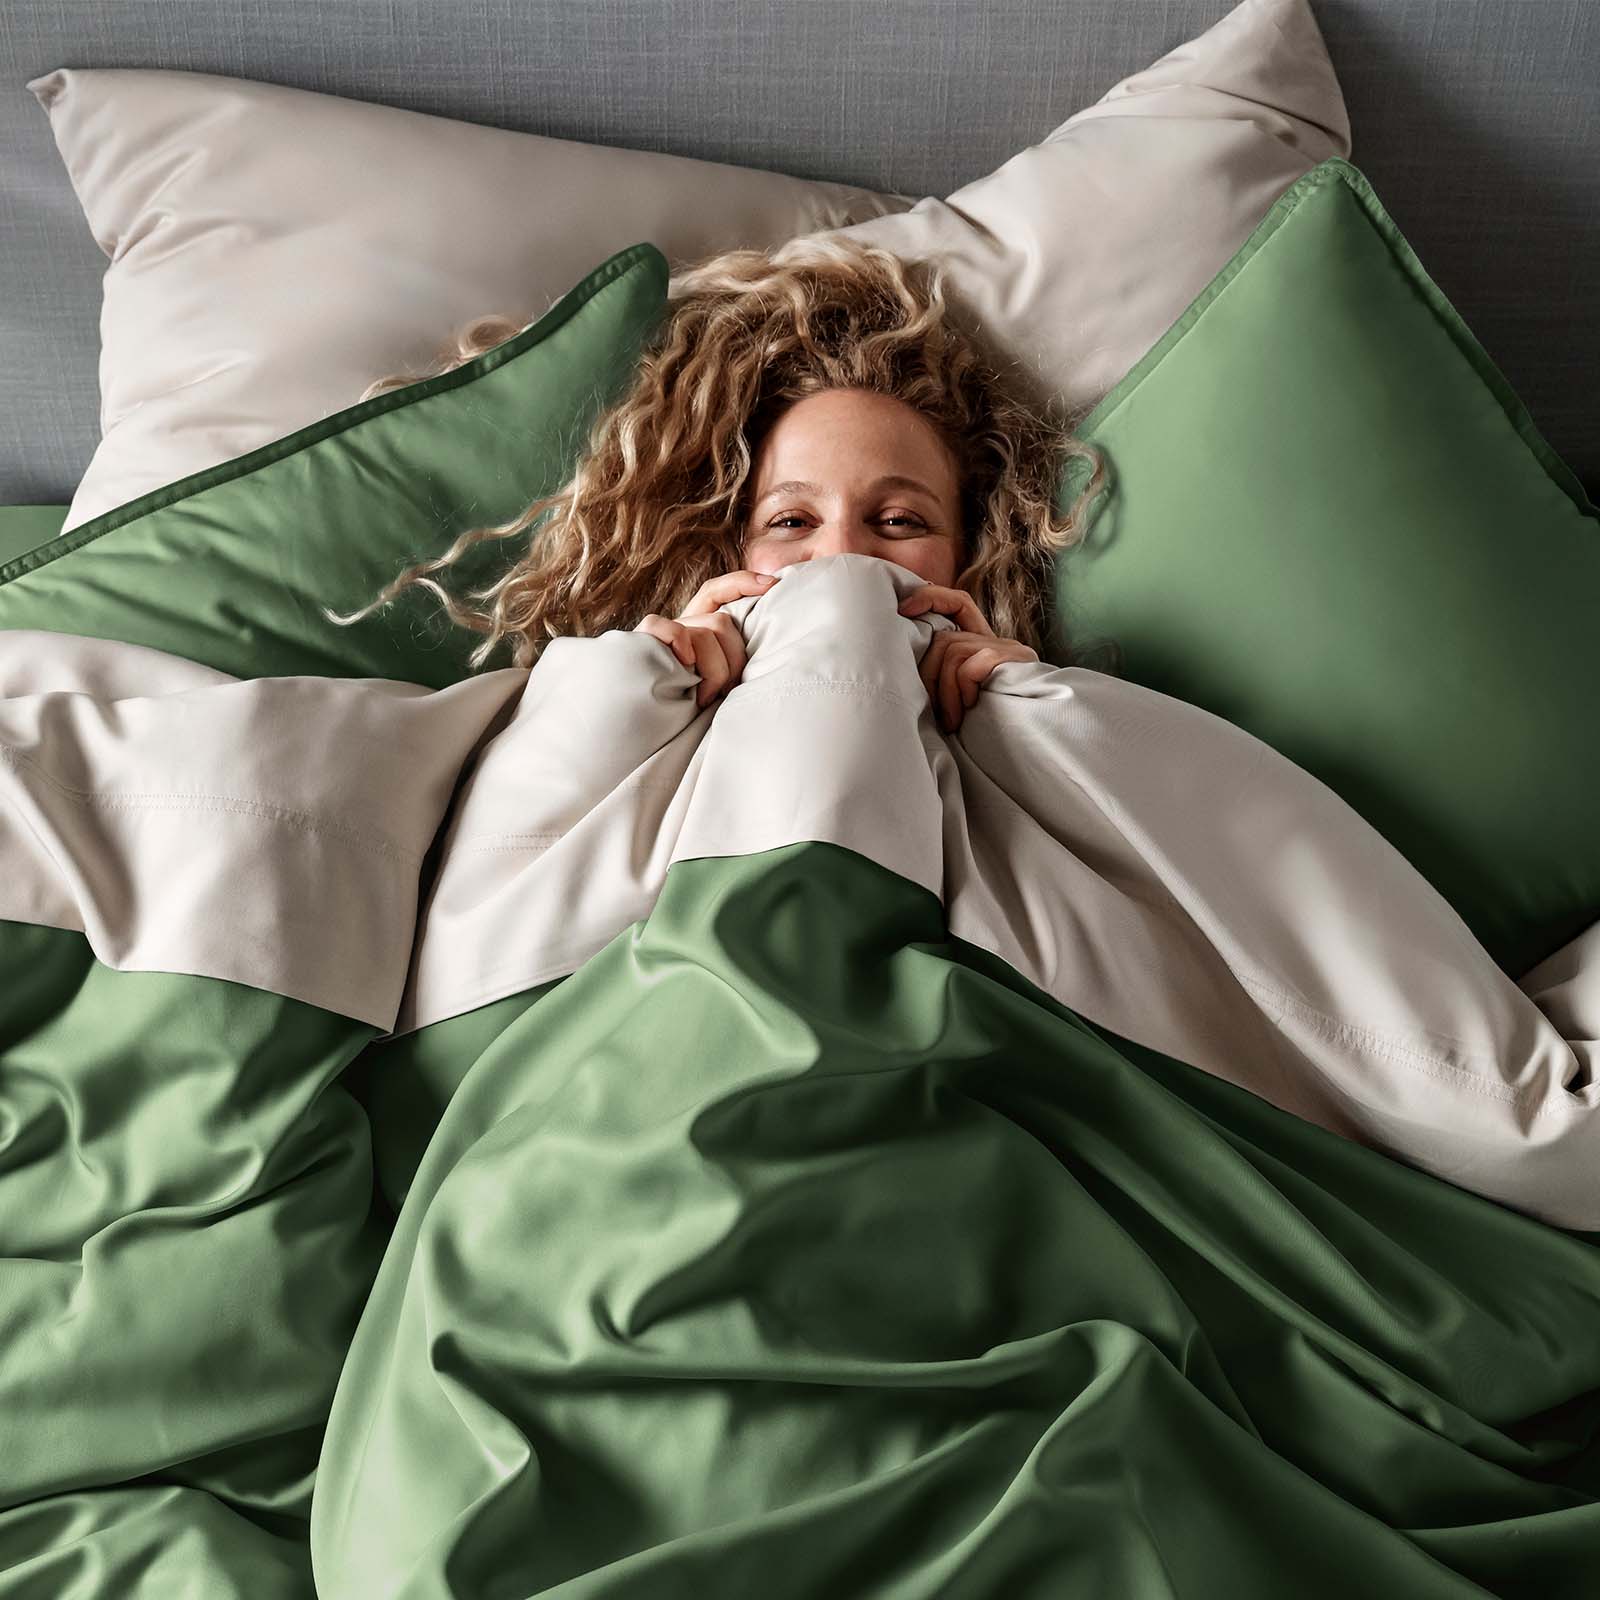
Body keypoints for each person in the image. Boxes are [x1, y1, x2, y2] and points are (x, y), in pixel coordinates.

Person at [329, 234, 1110, 734]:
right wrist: (635, 692)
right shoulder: (632, 712)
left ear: (968, 557)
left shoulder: (1026, 712)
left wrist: (1040, 721)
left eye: (900, 521)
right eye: (791, 521)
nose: (843, 556)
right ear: (726, 554)